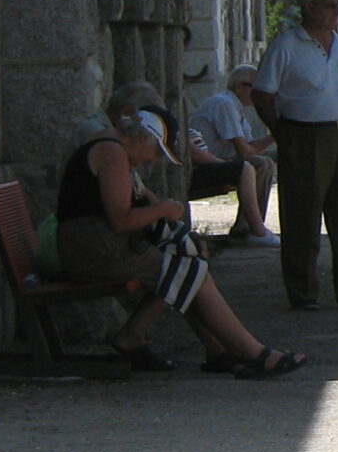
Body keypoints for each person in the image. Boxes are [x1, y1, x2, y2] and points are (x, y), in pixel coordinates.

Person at [54, 84, 307, 376]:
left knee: (186, 255)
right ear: (141, 136)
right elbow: (120, 220)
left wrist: (168, 215)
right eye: (156, 152)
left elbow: (138, 198)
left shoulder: (113, 147)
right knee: (191, 271)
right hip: (95, 251)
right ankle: (254, 353)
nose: (153, 161)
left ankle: (214, 349)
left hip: (98, 245)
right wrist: (163, 210)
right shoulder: (111, 152)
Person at [252, 0, 338, 311]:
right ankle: (303, 293)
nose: (337, 11)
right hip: (304, 136)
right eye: (331, 5)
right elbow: (262, 94)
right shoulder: (286, 46)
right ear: (310, 8)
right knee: (302, 218)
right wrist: (283, 134)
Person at [187, 65, 280, 245]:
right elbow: (245, 152)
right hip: (201, 167)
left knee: (263, 163)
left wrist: (277, 133)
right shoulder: (224, 104)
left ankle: (248, 227)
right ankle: (250, 229)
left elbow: (250, 148)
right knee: (260, 164)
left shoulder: (236, 109)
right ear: (239, 87)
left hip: (216, 164)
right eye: (256, 87)